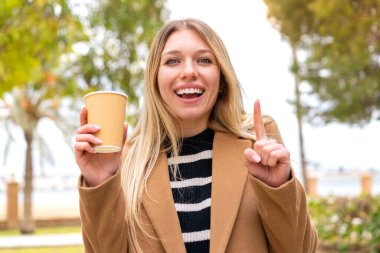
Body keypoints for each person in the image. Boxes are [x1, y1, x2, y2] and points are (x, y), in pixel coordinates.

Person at [75, 18, 318, 253]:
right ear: (155, 80)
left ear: (221, 78)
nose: (189, 72)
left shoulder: (258, 144)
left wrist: (277, 187)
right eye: (172, 61)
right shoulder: (128, 160)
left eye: (203, 60)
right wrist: (100, 182)